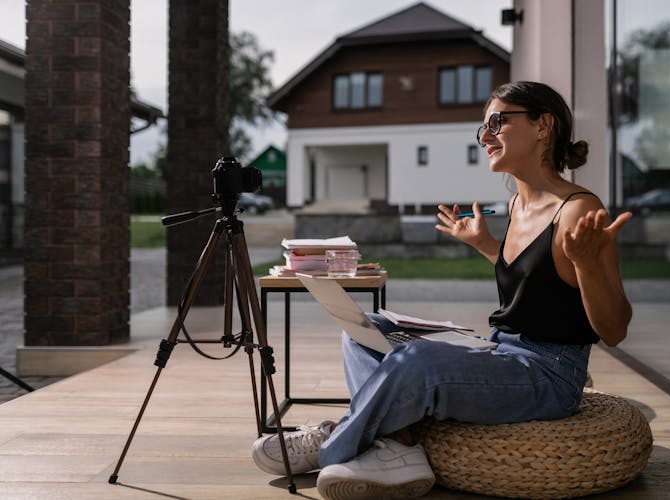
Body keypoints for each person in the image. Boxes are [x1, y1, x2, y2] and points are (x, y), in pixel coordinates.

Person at [251, 81, 633, 500]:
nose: (485, 137)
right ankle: (398, 446)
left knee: (419, 361)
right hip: (501, 351)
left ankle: (334, 444)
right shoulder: (516, 205)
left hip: (547, 374)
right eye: (483, 128)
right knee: (365, 329)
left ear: (543, 126)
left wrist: (585, 262)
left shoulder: (581, 210)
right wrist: (487, 246)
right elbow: (539, 285)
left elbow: (614, 328)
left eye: (497, 122)